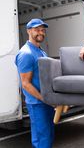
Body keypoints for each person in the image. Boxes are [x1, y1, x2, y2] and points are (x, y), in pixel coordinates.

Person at [15, 19, 55, 148]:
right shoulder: (26, 54)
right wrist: (44, 99)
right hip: (37, 103)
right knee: (42, 138)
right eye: (37, 29)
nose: (41, 33)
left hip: (45, 102)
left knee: (47, 136)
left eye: (43, 30)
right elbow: (26, 83)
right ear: (28, 31)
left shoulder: (40, 51)